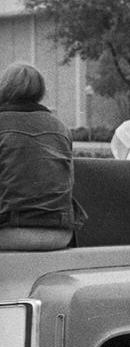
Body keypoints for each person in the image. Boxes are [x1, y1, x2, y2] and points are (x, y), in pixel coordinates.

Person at [0, 63, 80, 250]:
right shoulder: (60, 127)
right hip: (60, 234)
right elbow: (69, 181)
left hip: (9, 232)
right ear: (40, 91)